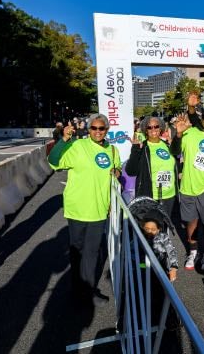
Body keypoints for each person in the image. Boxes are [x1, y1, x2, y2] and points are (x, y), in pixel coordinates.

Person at [48, 113, 121, 307]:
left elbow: (117, 171)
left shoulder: (113, 151)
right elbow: (54, 161)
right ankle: (77, 288)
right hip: (77, 208)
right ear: (88, 130)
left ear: (107, 130)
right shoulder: (78, 146)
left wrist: (117, 172)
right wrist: (63, 140)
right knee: (77, 251)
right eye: (94, 128)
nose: (98, 132)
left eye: (101, 128)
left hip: (98, 209)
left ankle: (87, 291)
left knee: (91, 252)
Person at [170, 107, 204, 271]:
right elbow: (175, 151)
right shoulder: (190, 132)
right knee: (190, 223)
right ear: (202, 119)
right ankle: (193, 252)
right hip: (188, 187)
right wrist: (178, 134)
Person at [126, 116, 177, 216]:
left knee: (165, 225)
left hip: (169, 195)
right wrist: (135, 150)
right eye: (150, 127)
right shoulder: (143, 147)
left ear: (160, 128)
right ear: (145, 130)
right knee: (151, 228)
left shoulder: (167, 145)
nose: (153, 129)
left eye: (156, 126)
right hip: (151, 195)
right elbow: (130, 171)